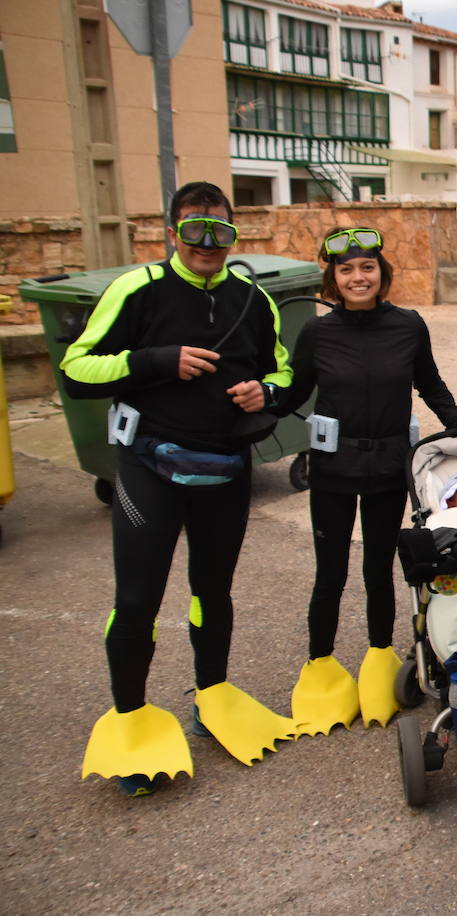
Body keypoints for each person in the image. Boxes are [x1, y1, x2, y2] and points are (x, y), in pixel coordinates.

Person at [66, 181, 296, 795]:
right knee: (138, 598)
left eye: (220, 231)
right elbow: (76, 367)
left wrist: (265, 393)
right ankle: (132, 723)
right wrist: (155, 360)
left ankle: (212, 698)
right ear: (172, 232)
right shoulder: (136, 290)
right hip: (149, 469)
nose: (207, 243)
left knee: (213, 592)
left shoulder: (254, 299)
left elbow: (282, 370)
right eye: (194, 229)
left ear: (233, 236)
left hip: (225, 471)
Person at [273, 227, 457, 736]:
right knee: (330, 572)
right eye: (346, 270)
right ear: (333, 280)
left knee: (379, 569)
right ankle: (320, 662)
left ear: (382, 274)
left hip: (387, 469)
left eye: (366, 268)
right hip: (333, 472)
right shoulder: (317, 333)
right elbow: (292, 392)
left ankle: (379, 656)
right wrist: (252, 406)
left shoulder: (407, 325)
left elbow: (429, 381)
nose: (357, 277)